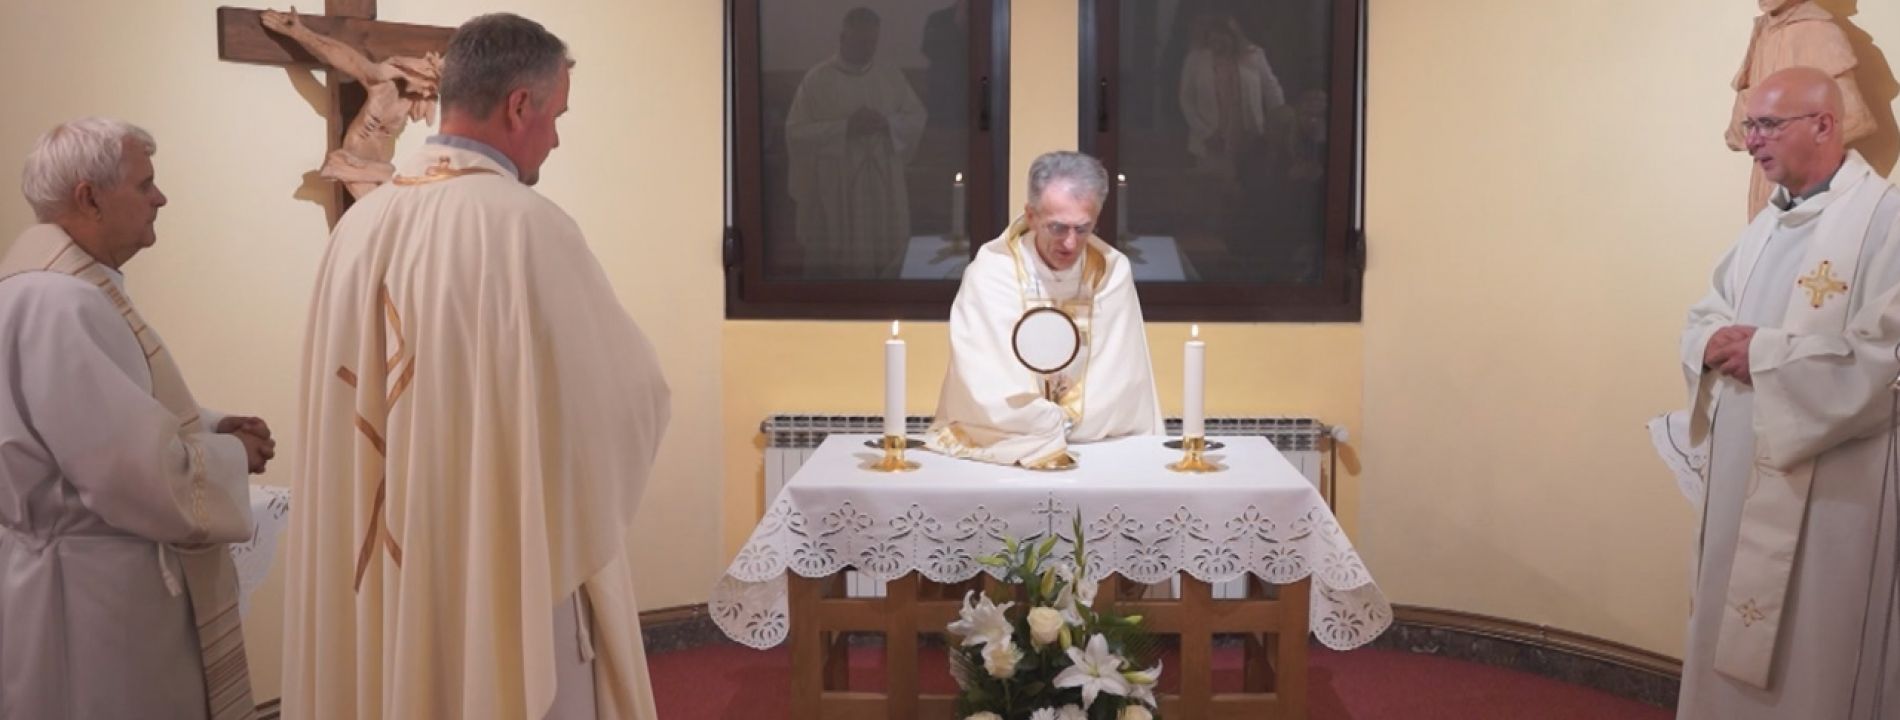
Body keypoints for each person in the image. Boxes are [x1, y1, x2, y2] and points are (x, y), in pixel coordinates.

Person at [281, 14, 671, 720]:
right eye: (557, 115)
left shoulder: (358, 228)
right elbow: (630, 400)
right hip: (497, 566)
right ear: (520, 105)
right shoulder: (526, 226)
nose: (556, 137)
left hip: (380, 568)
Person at [0, 117, 272, 720]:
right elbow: (128, 471)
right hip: (92, 603)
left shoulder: (50, 289)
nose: (160, 198)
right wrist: (235, 457)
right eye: (144, 184)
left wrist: (213, 426)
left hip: (86, 579)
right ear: (89, 198)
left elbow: (111, 412)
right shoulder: (59, 301)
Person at [1676, 66, 1900, 718]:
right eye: (1751, 124)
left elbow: (1886, 355)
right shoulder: (1767, 224)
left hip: (1835, 485)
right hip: (1742, 471)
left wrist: (1765, 356)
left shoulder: (1885, 221)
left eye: (1768, 124)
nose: (1751, 140)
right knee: (1727, 614)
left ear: (1824, 125)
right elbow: (1709, 310)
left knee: (1816, 649)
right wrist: (1707, 342)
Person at [926, 151, 1162, 468]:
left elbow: (1120, 383)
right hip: (1006, 446)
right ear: (1031, 216)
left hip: (1095, 448)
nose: (1070, 243)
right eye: (1057, 228)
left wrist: (1064, 423)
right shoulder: (993, 273)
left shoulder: (1109, 272)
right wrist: (1044, 422)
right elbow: (986, 381)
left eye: (1083, 229)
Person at [784, 6, 927, 278]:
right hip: (837, 186)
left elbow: (916, 116)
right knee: (840, 262)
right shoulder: (817, 80)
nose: (867, 49)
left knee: (886, 255)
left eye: (872, 42)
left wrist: (887, 123)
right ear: (843, 38)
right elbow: (796, 132)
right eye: (861, 42)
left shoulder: (890, 75)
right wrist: (845, 127)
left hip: (883, 186)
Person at [261, 7, 444, 199]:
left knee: (391, 205)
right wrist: (300, 32)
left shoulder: (412, 100)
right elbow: (345, 57)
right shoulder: (381, 84)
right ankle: (342, 168)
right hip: (355, 159)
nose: (427, 93)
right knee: (380, 212)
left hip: (381, 168)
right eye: (428, 86)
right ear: (417, 73)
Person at [1724, 0, 1874, 218]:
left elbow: (1856, 120)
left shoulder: (1820, 31)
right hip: (1765, 187)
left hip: (1806, 190)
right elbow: (1737, 134)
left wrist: (1794, 147)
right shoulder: (1763, 33)